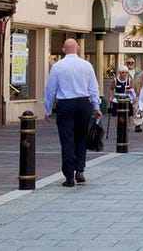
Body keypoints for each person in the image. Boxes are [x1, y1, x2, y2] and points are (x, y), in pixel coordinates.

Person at [43, 38, 101, 187]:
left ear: (63, 49)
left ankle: (69, 176)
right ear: (78, 48)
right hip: (83, 104)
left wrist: (48, 110)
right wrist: (96, 107)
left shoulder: (57, 66)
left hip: (65, 105)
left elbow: (50, 90)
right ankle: (80, 170)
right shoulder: (86, 65)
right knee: (82, 137)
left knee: (67, 140)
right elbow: (93, 88)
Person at [108, 64, 137, 141]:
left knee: (127, 116)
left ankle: (126, 129)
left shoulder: (129, 80)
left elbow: (132, 90)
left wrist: (130, 91)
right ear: (119, 73)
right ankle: (118, 132)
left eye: (126, 73)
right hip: (117, 100)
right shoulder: (115, 80)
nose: (124, 74)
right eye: (122, 72)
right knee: (117, 117)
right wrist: (111, 97)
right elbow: (111, 89)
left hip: (126, 99)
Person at [125, 56, 143, 132]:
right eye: (129, 62)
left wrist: (141, 89)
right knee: (126, 110)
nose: (130, 64)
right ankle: (127, 126)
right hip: (127, 94)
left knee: (137, 109)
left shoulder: (139, 72)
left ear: (134, 63)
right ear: (126, 63)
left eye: (132, 62)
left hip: (137, 94)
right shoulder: (124, 72)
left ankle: (138, 125)